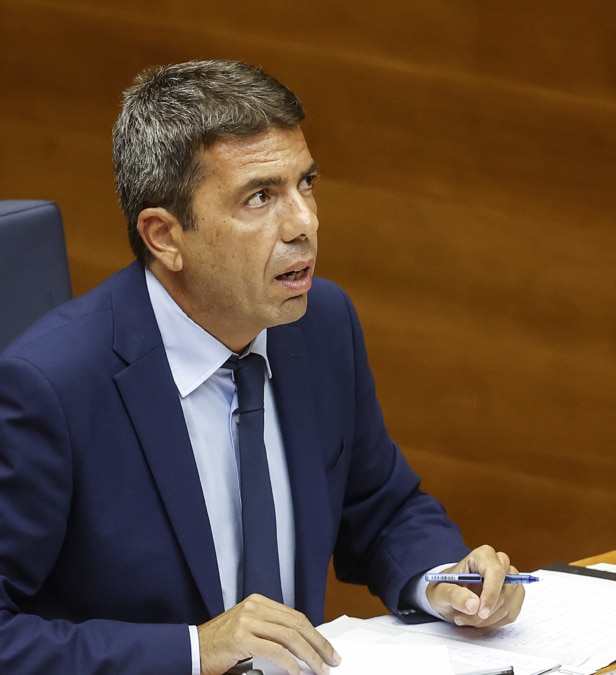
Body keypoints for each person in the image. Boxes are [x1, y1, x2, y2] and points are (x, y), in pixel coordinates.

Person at [0, 59, 524, 675]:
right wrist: (195, 651)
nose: (305, 223)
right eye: (260, 197)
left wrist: (444, 579)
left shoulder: (319, 325)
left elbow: (381, 508)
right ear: (165, 237)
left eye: (305, 184)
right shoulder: (51, 388)